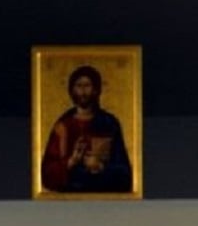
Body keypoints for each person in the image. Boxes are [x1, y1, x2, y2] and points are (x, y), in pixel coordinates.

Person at [40, 65, 133, 194]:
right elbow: (46, 175)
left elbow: (125, 175)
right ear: (72, 90)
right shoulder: (63, 126)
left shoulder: (109, 123)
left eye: (87, 85)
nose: (83, 91)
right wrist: (71, 162)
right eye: (79, 86)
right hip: (69, 197)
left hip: (103, 197)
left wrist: (100, 167)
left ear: (96, 90)